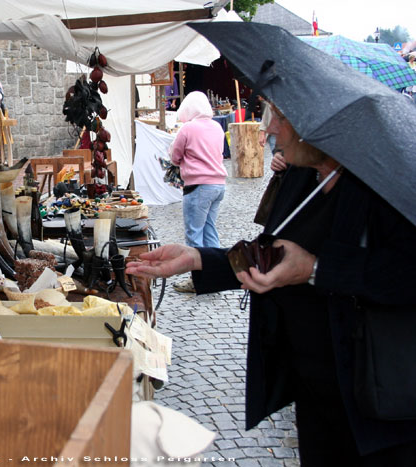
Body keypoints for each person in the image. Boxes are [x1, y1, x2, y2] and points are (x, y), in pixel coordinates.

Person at [126, 103, 416, 465]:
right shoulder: (301, 176)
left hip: (375, 404)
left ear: (325, 122)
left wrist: (316, 267)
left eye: (282, 115)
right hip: (313, 390)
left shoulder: (389, 184)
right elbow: (270, 256)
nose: (270, 127)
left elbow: (405, 273)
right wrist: (198, 258)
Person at [169, 91, 227, 293]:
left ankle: (198, 281)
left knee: (194, 234)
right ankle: (217, 276)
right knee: (210, 231)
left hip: (198, 186)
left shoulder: (188, 128)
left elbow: (175, 156)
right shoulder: (217, 127)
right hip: (218, 185)